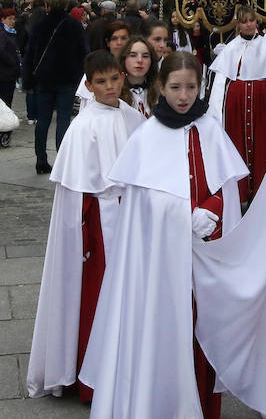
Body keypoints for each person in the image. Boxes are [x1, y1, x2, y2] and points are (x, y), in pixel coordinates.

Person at [79, 52, 248, 419]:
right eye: (175, 87)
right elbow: (143, 203)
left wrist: (214, 208)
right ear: (160, 87)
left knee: (202, 327)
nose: (184, 95)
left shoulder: (211, 129)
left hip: (204, 253)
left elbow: (228, 186)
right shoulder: (147, 137)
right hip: (160, 264)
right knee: (165, 329)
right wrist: (183, 214)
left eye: (190, 87)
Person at [27, 51, 144, 402]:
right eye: (101, 82)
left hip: (129, 216)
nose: (110, 87)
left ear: (123, 78)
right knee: (98, 297)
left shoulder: (130, 114)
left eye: (115, 79)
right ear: (89, 86)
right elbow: (79, 194)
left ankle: (125, 367)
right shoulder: (83, 126)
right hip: (100, 225)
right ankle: (93, 378)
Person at [208, 5, 266, 203]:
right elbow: (219, 86)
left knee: (262, 149)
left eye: (251, 20)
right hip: (235, 110)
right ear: (238, 25)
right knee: (236, 149)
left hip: (260, 108)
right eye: (244, 21)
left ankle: (261, 197)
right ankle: (239, 196)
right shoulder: (230, 49)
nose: (248, 24)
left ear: (256, 22)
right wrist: (216, 114)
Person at [22, 0, 88, 174]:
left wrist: (28, 80)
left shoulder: (40, 25)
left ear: (47, 5)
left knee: (42, 120)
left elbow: (30, 54)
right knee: (63, 119)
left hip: (44, 79)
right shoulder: (74, 26)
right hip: (67, 79)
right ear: (67, 5)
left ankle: (41, 160)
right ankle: (62, 160)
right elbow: (83, 53)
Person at [119, 35, 158, 119]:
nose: (140, 60)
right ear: (124, 58)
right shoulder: (116, 94)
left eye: (145, 56)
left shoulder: (159, 93)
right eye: (133, 55)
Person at [0, 8, 21, 108]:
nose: (13, 21)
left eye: (14, 19)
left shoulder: (11, 32)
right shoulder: (3, 33)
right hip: (4, 74)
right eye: (10, 19)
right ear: (2, 19)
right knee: (5, 103)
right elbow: (1, 51)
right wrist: (13, 61)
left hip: (9, 74)